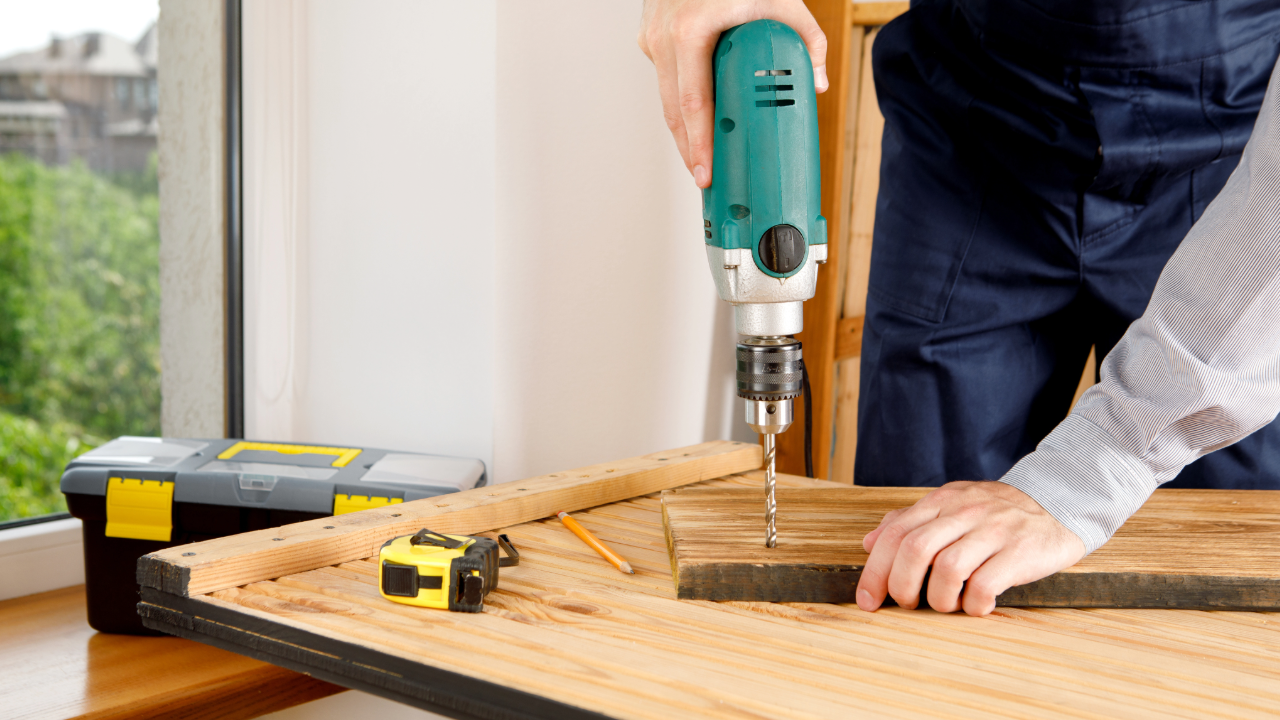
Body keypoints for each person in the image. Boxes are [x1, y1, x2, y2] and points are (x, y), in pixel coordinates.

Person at [638, 0, 1280, 616]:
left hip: (1241, 153)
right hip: (974, 109)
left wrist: (1090, 474)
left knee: (1227, 564)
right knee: (915, 559)